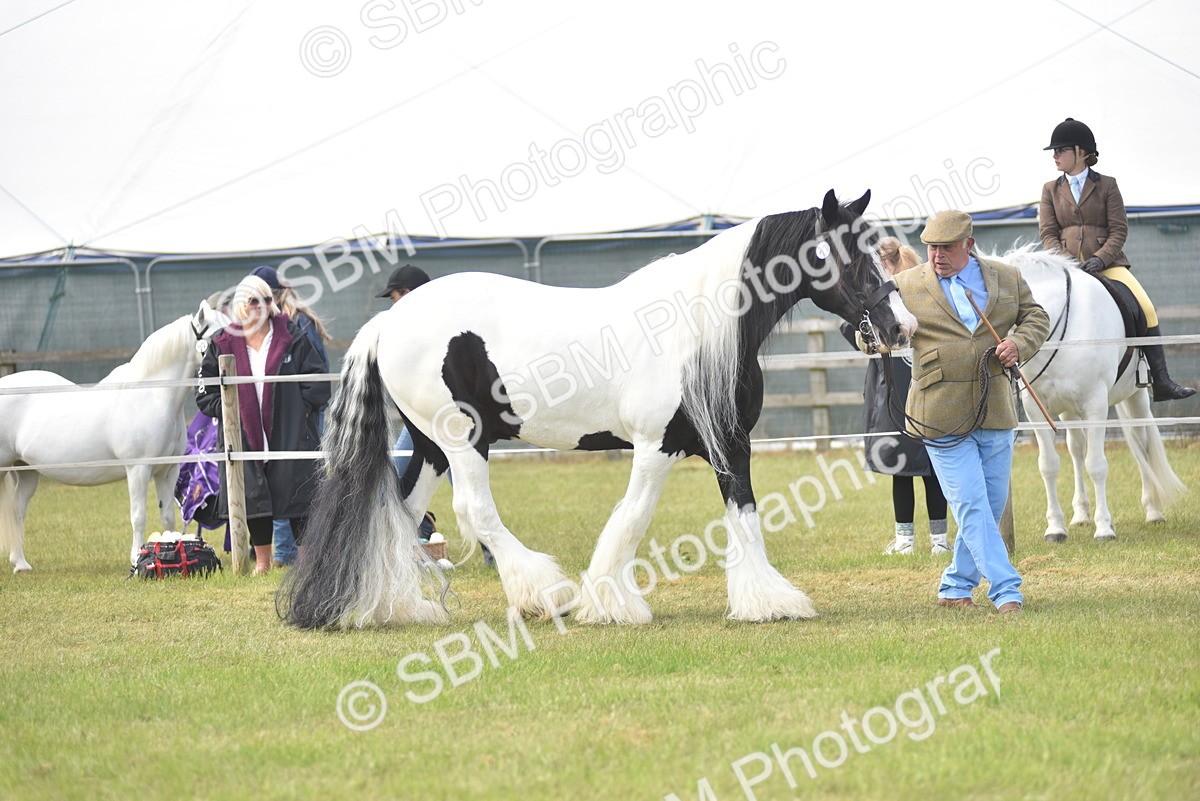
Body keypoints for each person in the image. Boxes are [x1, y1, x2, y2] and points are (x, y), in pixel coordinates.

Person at [861, 211, 1050, 614]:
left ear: (969, 244)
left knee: (990, 503)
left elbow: (1036, 316)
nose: (937, 255)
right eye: (931, 247)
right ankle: (1006, 589)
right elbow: (866, 330)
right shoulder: (905, 285)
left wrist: (1019, 343)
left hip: (996, 406)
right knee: (971, 504)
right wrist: (876, 337)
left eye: (946, 247)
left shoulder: (1006, 277)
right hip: (938, 413)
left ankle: (955, 585)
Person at [1038, 117, 1194, 402]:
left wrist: (1100, 259)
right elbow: (1048, 233)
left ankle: (1161, 380)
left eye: (1061, 149)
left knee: (1146, 306)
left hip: (1108, 265)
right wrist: (1066, 262)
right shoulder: (1050, 189)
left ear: (1081, 152)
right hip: (1067, 268)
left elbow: (1119, 229)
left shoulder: (1107, 185)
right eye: (1054, 151)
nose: (1055, 155)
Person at [195, 275, 331, 574]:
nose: (261, 306)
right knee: (254, 497)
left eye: (267, 300)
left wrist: (301, 411)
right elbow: (204, 392)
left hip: (289, 433)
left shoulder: (293, 337)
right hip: (244, 435)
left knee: (299, 494)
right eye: (253, 300)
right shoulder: (221, 342)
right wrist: (231, 412)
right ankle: (263, 562)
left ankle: (308, 563)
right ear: (241, 305)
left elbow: (317, 381)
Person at [842, 237, 949, 555]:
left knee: (924, 468)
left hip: (919, 386)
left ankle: (928, 540)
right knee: (910, 468)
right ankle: (918, 540)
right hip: (893, 391)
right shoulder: (875, 302)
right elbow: (855, 332)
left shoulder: (917, 292)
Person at [250, 265, 333, 566]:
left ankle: (287, 553)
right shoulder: (290, 321)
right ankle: (283, 551)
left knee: (294, 478)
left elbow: (315, 374)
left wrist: (303, 410)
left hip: (302, 415)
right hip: (294, 413)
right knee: (282, 476)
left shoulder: (297, 324)